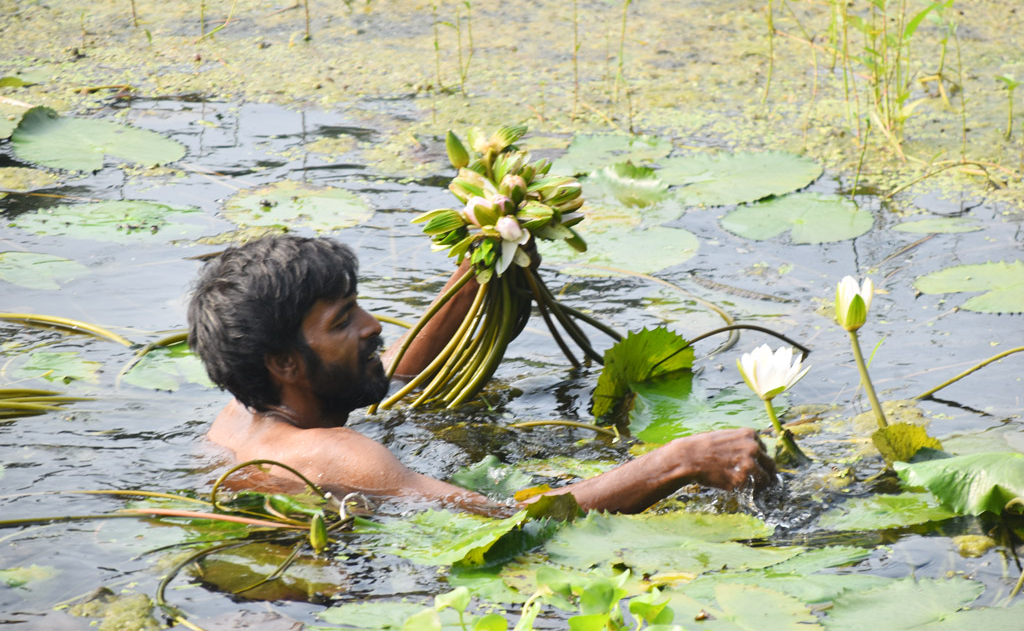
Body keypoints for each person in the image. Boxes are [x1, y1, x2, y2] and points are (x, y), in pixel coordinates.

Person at [188, 234, 776, 515]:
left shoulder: (241, 416)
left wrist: (481, 269)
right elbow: (510, 522)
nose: (373, 326)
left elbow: (390, 376)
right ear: (285, 363)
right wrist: (678, 461)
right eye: (344, 321)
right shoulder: (342, 457)